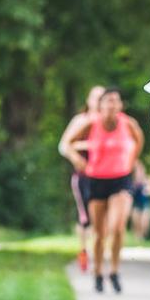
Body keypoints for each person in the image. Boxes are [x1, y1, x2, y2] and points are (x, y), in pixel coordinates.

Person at [59, 87, 144, 294]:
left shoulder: (128, 124)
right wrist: (78, 159)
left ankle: (114, 270)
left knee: (117, 227)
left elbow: (139, 141)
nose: (111, 105)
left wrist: (131, 162)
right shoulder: (90, 123)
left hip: (121, 180)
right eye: (107, 101)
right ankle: (98, 272)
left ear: (120, 105)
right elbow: (67, 144)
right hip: (96, 180)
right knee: (99, 234)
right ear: (100, 105)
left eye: (115, 101)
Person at [58, 85, 105, 271]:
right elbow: (64, 145)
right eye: (95, 97)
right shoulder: (81, 120)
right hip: (84, 175)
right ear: (89, 100)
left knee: (101, 216)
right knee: (85, 216)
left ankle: (98, 250)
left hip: (105, 175)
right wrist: (78, 159)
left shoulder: (110, 122)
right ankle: (84, 251)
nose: (99, 101)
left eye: (103, 98)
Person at [129, 162, 150, 241]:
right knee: (136, 222)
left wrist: (149, 190)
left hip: (146, 204)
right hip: (136, 204)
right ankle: (137, 239)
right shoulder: (133, 180)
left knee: (145, 223)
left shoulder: (148, 179)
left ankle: (142, 237)